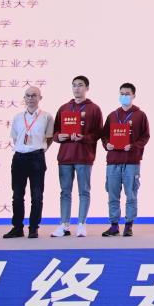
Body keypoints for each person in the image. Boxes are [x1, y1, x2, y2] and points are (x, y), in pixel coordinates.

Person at [50, 75, 102, 238]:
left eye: (80, 85)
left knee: (84, 191)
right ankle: (64, 225)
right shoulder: (64, 108)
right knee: (65, 192)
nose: (76, 88)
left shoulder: (94, 109)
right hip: (65, 157)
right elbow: (54, 132)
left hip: (84, 156)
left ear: (87, 88)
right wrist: (59, 137)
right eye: (74, 85)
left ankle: (81, 224)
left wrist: (84, 138)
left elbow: (99, 133)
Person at [3, 86, 54, 239]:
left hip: (37, 158)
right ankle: (17, 228)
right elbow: (15, 138)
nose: (31, 98)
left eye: (34, 95)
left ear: (40, 98)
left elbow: (49, 137)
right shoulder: (18, 117)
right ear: (24, 98)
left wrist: (39, 150)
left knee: (37, 195)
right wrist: (24, 149)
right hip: (19, 158)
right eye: (28, 95)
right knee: (17, 195)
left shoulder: (46, 117)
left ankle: (33, 228)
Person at [101, 82, 150, 237]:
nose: (124, 96)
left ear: (133, 95)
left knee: (131, 194)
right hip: (113, 161)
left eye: (127, 94)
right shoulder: (112, 115)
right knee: (113, 195)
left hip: (131, 161)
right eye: (122, 93)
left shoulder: (140, 115)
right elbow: (104, 135)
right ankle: (114, 225)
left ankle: (129, 225)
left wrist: (133, 146)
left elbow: (145, 136)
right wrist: (107, 144)